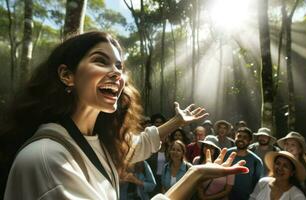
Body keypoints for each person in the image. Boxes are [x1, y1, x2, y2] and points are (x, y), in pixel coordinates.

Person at [0, 31, 249, 200]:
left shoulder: (95, 140)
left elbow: (136, 145)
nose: (116, 73)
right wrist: (194, 176)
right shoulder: (48, 159)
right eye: (101, 61)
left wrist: (180, 130)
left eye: (119, 66)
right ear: (67, 75)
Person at [277, 131, 306, 200]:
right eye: (286, 144)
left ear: (300, 149)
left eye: (293, 144)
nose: (288, 147)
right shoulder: (278, 168)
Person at [226, 127, 263, 200]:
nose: (241, 139)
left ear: (250, 141)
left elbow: (258, 184)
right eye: (239, 136)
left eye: (245, 137)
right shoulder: (227, 154)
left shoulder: (256, 161)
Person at [193, 135, 234, 200]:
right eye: (206, 146)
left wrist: (206, 198)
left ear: (216, 150)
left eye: (211, 147)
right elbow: (194, 181)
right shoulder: (197, 161)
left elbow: (227, 190)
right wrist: (201, 196)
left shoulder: (226, 165)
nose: (208, 149)